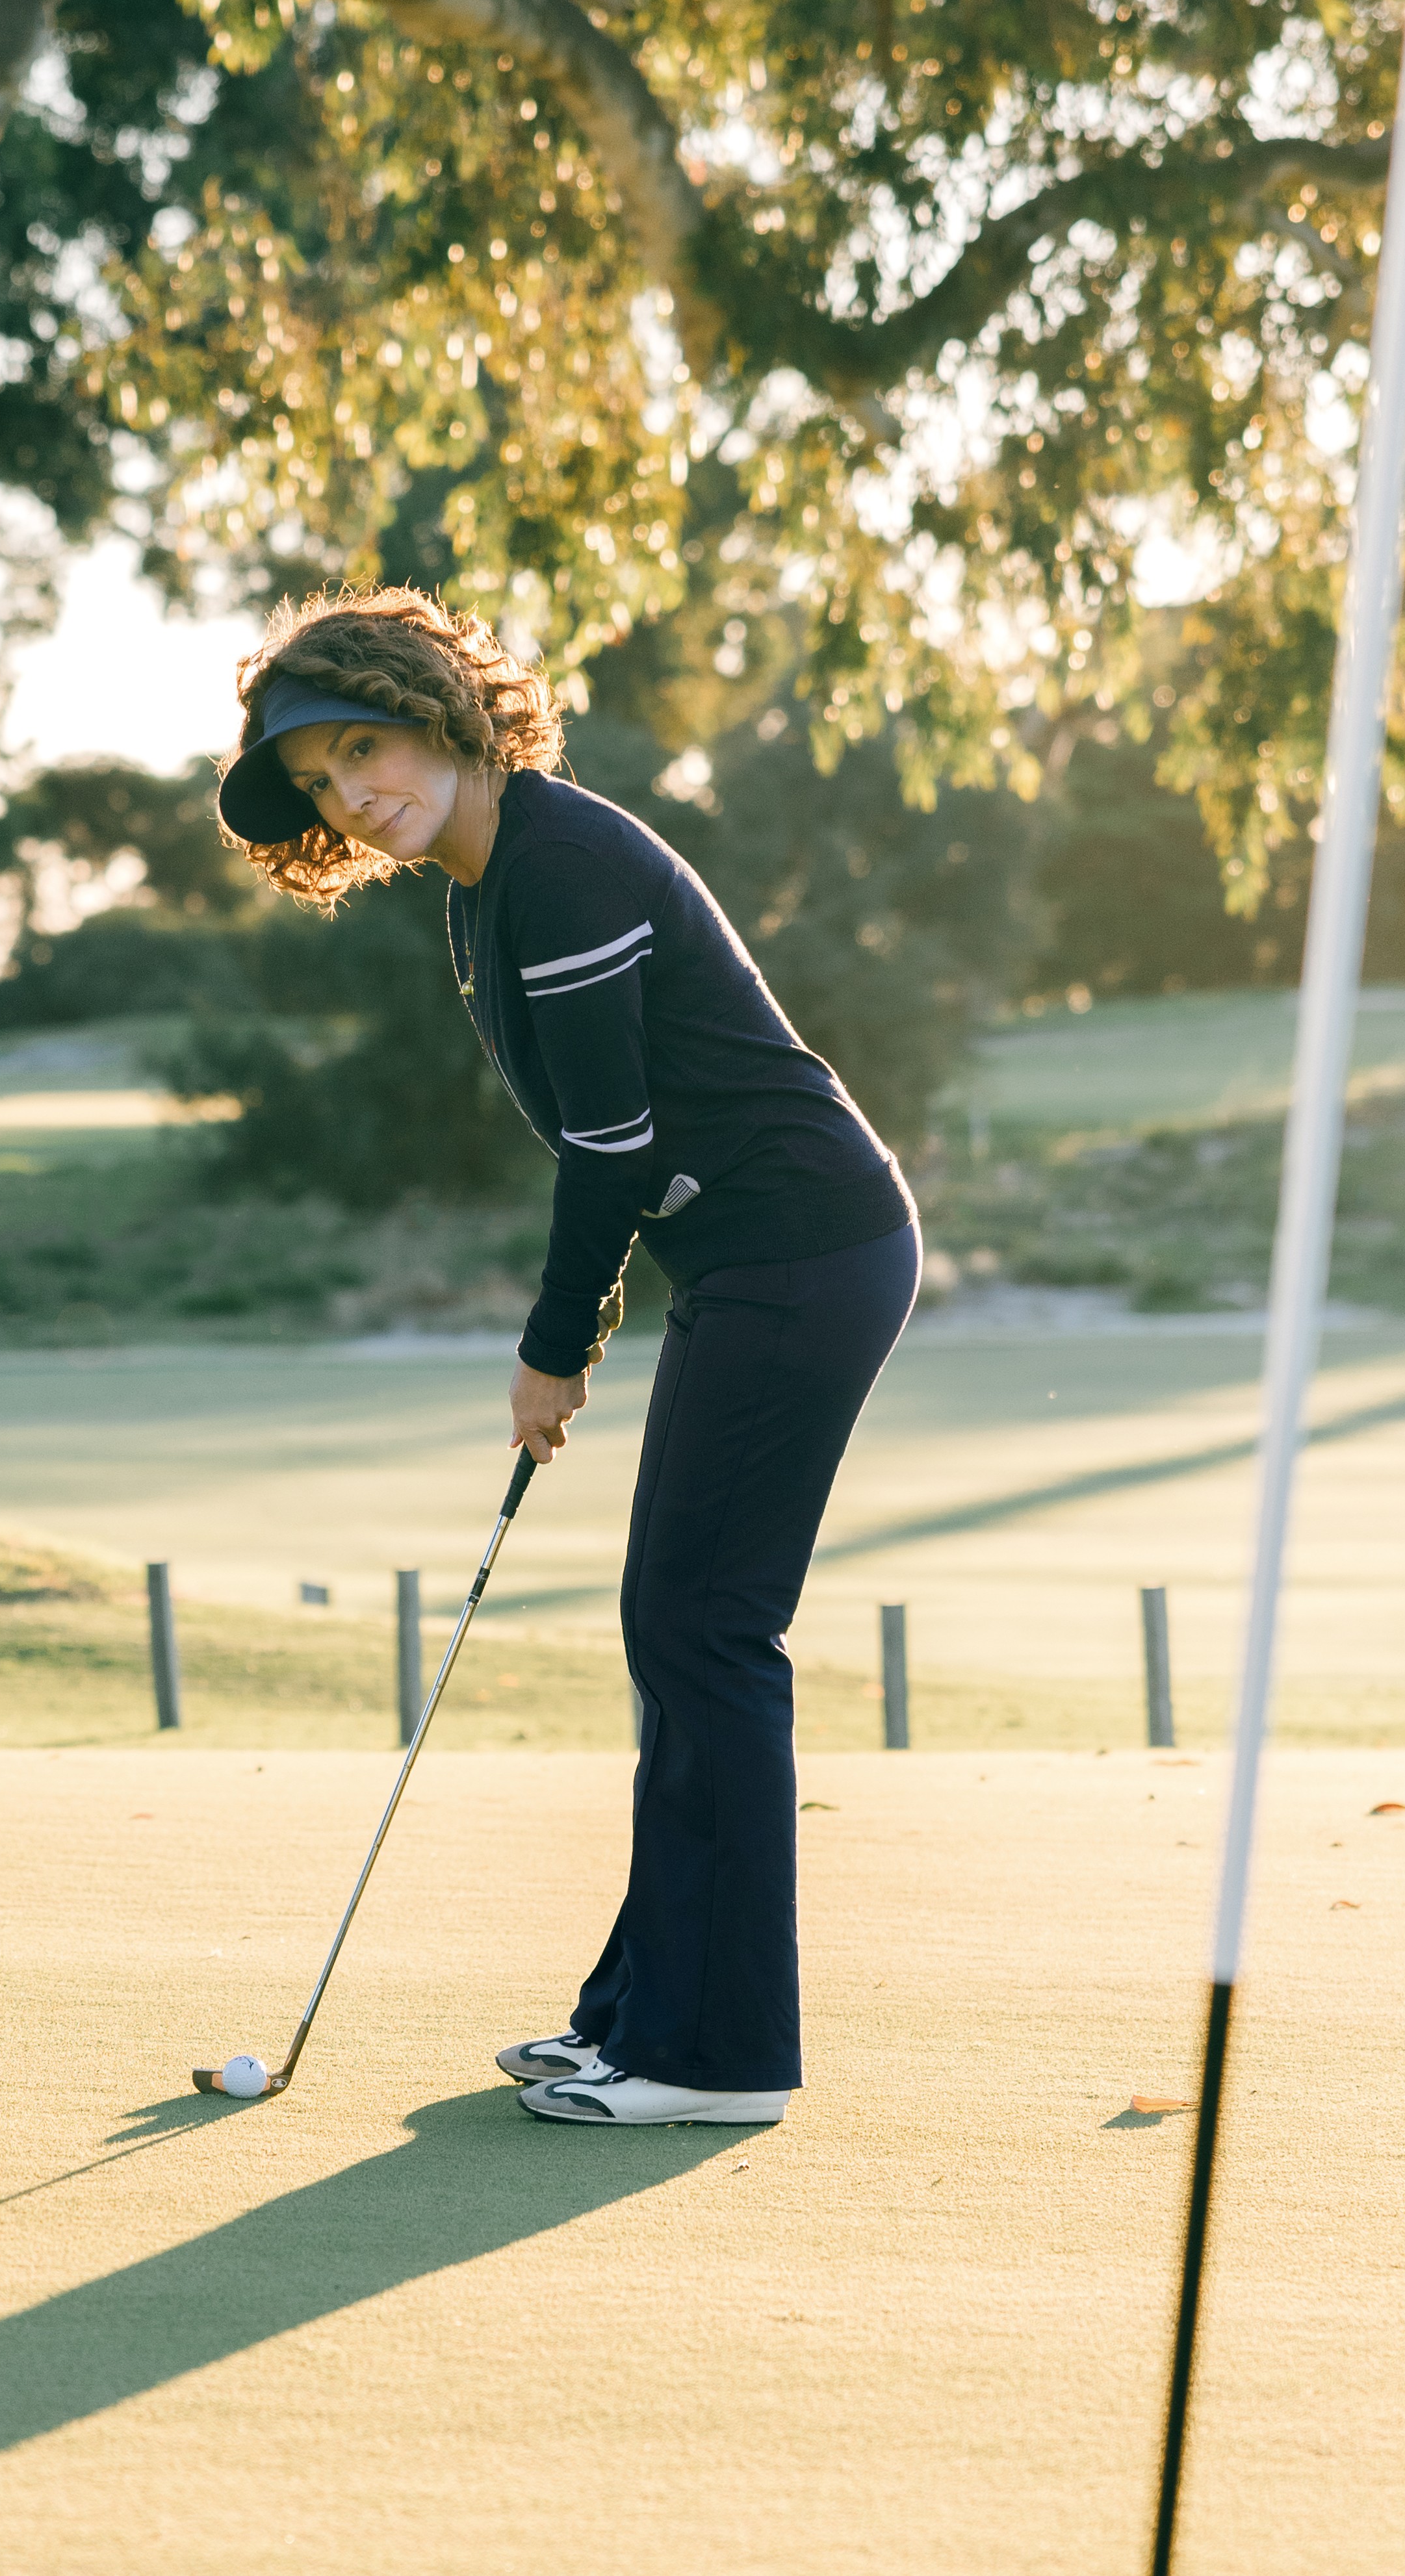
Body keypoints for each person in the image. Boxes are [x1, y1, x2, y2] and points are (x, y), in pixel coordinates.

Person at [215, 585, 920, 2130]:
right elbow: (610, 1139)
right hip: (751, 1261)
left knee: (704, 1631)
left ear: (440, 710)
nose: (355, 791)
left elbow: (609, 1141)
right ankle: (640, 2014)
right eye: (327, 780)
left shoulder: (563, 865)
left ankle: (714, 2055)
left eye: (367, 746)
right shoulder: (488, 883)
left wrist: (555, 1346)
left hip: (801, 1251)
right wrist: (584, 1324)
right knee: (677, 1625)